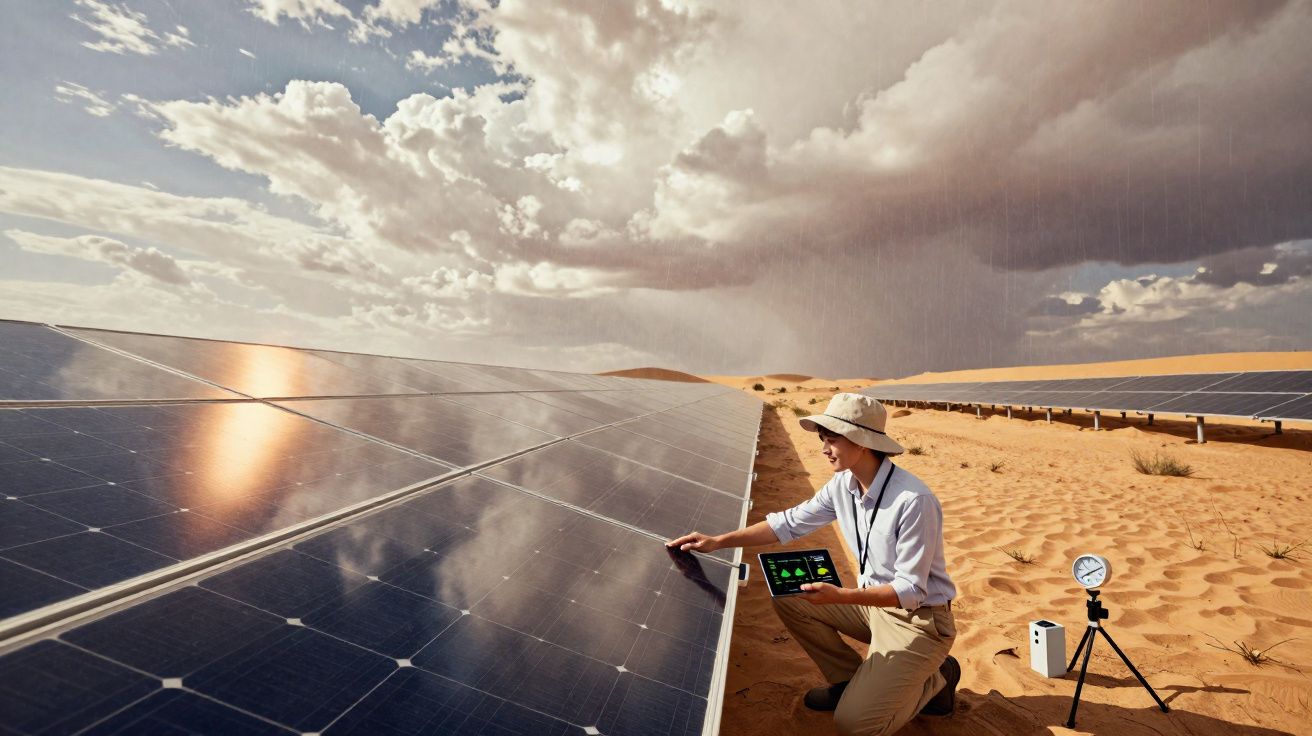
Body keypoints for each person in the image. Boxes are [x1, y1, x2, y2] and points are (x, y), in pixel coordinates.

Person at [667, 392, 959, 736]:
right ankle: (849, 682)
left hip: (918, 620)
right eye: (823, 439)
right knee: (789, 594)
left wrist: (841, 596)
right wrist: (719, 541)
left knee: (855, 725)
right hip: (872, 606)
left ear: (862, 442)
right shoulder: (842, 485)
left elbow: (910, 590)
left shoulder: (913, 501)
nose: (823, 448)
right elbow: (786, 523)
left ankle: (937, 680)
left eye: (831, 439)